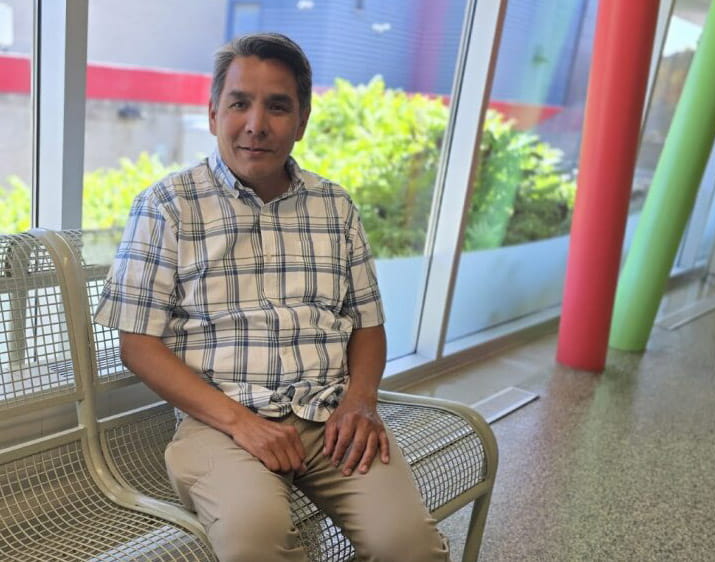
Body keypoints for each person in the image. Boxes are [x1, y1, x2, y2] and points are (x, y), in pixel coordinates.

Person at [95, 33, 449, 562]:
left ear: (302, 121)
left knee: (410, 547)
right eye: (239, 103)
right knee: (253, 538)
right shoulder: (167, 206)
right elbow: (138, 343)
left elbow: (367, 325)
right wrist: (245, 425)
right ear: (214, 113)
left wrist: (360, 401)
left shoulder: (335, 207)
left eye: (277, 107)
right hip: (221, 424)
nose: (256, 124)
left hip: (332, 419)